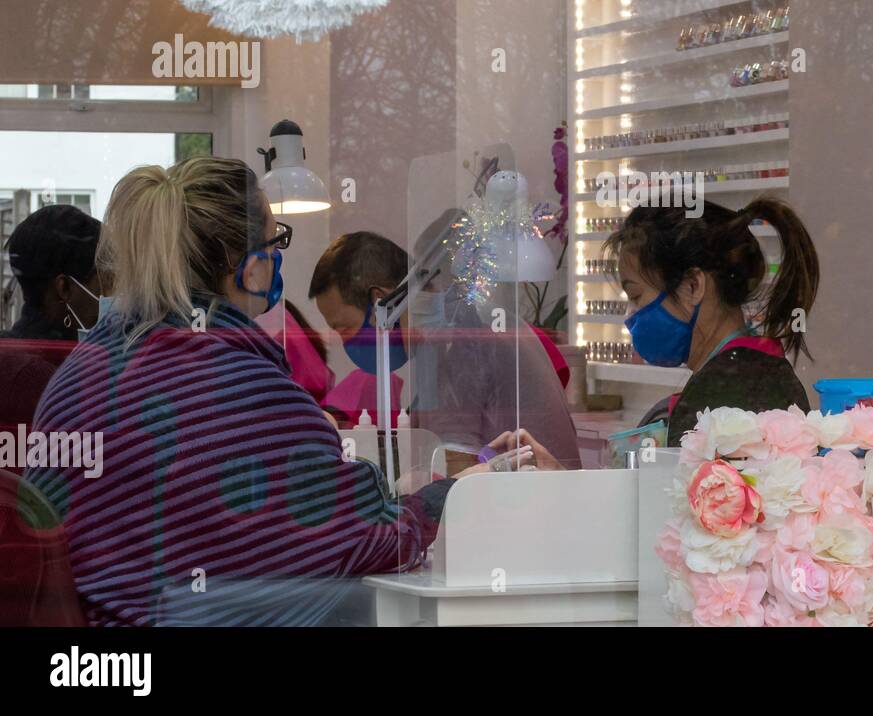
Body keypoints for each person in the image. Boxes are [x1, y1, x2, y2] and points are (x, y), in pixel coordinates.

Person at [23, 158, 500, 626]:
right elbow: (364, 539)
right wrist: (451, 496)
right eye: (276, 241)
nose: (277, 258)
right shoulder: (244, 386)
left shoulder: (74, 378)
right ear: (245, 267)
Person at [309, 231, 581, 466]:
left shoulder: (462, 337)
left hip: (530, 511)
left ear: (379, 301)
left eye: (344, 328)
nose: (344, 341)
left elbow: (448, 471)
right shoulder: (454, 329)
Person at [607, 197, 820, 446]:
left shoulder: (723, 396)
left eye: (636, 295)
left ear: (692, 286)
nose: (630, 315)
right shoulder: (757, 369)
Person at [0, 204, 102, 431]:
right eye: (102, 281)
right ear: (64, 288)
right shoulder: (47, 382)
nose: (109, 294)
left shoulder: (13, 354)